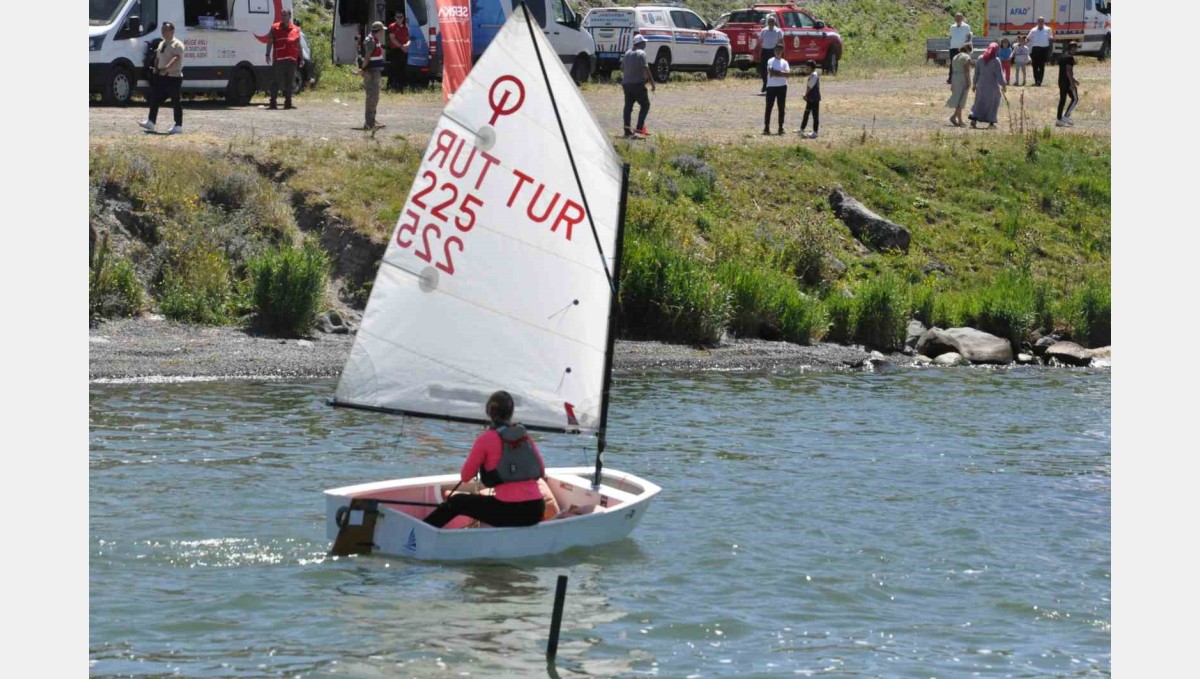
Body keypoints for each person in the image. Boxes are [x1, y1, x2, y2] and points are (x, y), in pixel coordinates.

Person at [423, 391, 547, 529]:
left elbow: (465, 477)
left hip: (509, 511)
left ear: (489, 412)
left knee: (457, 501)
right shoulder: (524, 437)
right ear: (511, 413)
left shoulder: (486, 438)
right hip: (536, 509)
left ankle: (421, 533)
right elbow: (541, 470)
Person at [139, 22, 185, 134]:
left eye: (166, 30)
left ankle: (178, 125)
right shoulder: (162, 43)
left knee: (175, 101)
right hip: (160, 76)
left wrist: (166, 69)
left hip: (173, 77)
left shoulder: (177, 44)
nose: (164, 32)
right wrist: (156, 68)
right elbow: (158, 57)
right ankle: (151, 122)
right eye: (163, 30)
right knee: (154, 98)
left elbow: (176, 58)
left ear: (172, 31)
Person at [265, 8, 301, 109]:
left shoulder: (296, 29)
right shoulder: (274, 28)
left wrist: (301, 58)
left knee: (290, 82)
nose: (283, 17)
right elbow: (270, 42)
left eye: (285, 15)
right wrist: (267, 54)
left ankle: (288, 103)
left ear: (290, 16)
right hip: (279, 60)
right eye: (282, 15)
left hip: (291, 60)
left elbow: (298, 45)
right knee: (275, 82)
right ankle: (273, 103)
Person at [621, 34, 655, 138]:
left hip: (626, 84)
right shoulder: (641, 53)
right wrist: (652, 83)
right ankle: (639, 128)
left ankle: (627, 130)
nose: (645, 43)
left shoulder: (627, 53)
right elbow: (645, 69)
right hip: (637, 85)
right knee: (645, 105)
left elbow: (622, 68)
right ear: (640, 43)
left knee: (628, 106)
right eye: (644, 42)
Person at [968, 42, 1006, 129]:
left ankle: (974, 119)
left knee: (979, 102)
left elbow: (976, 72)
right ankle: (991, 122)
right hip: (992, 86)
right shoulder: (996, 60)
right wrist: (1003, 85)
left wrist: (974, 84)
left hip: (981, 85)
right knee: (993, 103)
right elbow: (999, 74)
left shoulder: (980, 58)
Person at [359, 21, 388, 130]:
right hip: (370, 72)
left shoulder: (374, 39)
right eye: (382, 30)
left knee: (374, 97)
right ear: (379, 30)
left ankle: (372, 121)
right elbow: (367, 57)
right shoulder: (371, 41)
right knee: (371, 97)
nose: (382, 33)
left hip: (374, 71)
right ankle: (369, 123)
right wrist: (362, 70)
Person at [762, 44, 789, 135]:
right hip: (771, 87)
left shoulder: (785, 62)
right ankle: (766, 127)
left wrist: (777, 73)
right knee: (769, 107)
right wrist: (782, 73)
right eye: (777, 50)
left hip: (782, 86)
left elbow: (788, 74)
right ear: (774, 51)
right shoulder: (770, 61)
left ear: (782, 52)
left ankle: (780, 127)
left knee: (781, 107)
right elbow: (771, 72)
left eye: (780, 50)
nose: (778, 52)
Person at [945, 43, 972, 127]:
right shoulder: (966, 57)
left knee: (957, 98)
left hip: (955, 77)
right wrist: (969, 82)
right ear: (968, 50)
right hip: (962, 78)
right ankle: (959, 120)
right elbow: (966, 71)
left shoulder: (955, 57)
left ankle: (955, 117)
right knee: (961, 100)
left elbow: (952, 70)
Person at [757, 15, 784, 94]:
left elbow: (781, 42)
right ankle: (765, 84)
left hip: (774, 51)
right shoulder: (763, 31)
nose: (770, 23)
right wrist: (759, 51)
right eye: (769, 21)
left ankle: (772, 85)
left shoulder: (778, 31)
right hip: (765, 51)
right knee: (764, 69)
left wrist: (781, 52)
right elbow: (760, 42)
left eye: (772, 21)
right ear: (767, 22)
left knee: (773, 68)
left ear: (774, 22)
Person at [1056, 42, 1080, 127]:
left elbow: (1063, 70)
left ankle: (1059, 119)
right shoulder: (1070, 58)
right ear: (1072, 48)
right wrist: (1072, 83)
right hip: (1067, 82)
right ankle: (1066, 117)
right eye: (1075, 48)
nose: (1076, 50)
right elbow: (1068, 71)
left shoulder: (1062, 56)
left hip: (1061, 80)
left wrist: (1074, 79)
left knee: (1062, 100)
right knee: (1075, 99)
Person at [386, 11, 411, 92]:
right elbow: (392, 39)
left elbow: (409, 39)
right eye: (397, 17)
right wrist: (401, 46)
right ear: (395, 18)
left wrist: (407, 45)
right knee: (394, 69)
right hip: (395, 50)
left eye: (401, 17)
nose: (399, 19)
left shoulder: (405, 27)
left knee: (403, 69)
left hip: (404, 50)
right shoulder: (392, 26)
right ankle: (391, 86)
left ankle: (401, 87)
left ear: (403, 18)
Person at [796, 59, 821, 138]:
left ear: (810, 67)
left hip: (814, 98)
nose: (806, 69)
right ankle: (802, 129)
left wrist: (805, 94)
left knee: (815, 115)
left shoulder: (814, 75)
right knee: (806, 114)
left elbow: (809, 87)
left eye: (807, 67)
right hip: (811, 98)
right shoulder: (812, 74)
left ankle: (815, 132)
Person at [1027, 16, 1053, 86]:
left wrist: (1050, 51)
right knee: (1035, 66)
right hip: (1035, 49)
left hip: (1044, 49)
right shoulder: (1033, 30)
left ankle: (1039, 81)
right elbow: (1028, 39)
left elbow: (1050, 40)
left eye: (1042, 21)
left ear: (1044, 22)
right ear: (1037, 22)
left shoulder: (1048, 29)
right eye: (1039, 21)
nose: (1040, 22)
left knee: (1041, 66)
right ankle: (1036, 81)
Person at [947, 12, 972, 85]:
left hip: (962, 49)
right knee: (952, 63)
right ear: (955, 18)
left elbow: (969, 36)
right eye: (956, 18)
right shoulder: (952, 27)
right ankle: (950, 79)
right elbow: (951, 36)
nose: (958, 19)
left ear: (962, 18)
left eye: (959, 17)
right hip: (953, 47)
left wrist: (967, 45)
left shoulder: (966, 26)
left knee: (963, 64)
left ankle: (964, 78)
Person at [294, 18, 313, 92]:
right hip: (303, 55)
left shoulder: (297, 33)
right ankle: (306, 85)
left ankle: (303, 86)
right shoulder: (301, 33)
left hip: (299, 55)